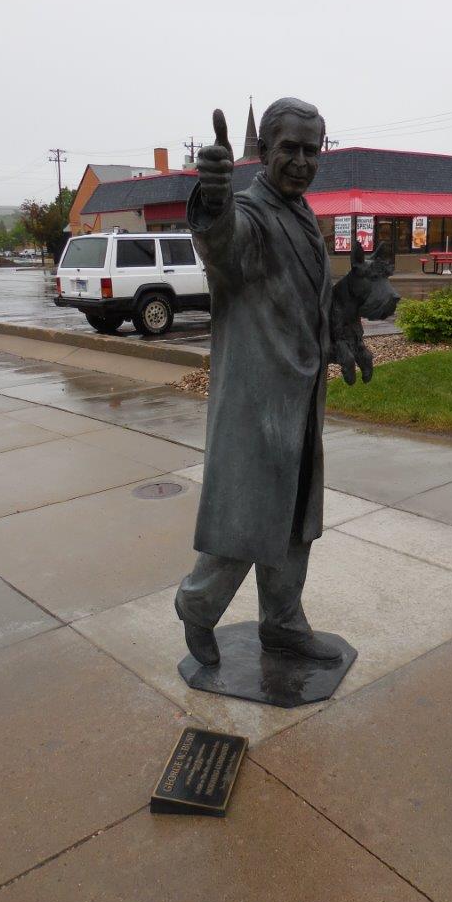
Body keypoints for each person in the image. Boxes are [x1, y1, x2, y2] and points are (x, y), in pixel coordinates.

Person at [175, 98, 356, 668]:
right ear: (264, 153)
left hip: (300, 400)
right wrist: (213, 198)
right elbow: (225, 246)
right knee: (246, 522)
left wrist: (341, 336)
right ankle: (196, 608)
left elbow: (306, 301)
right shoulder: (251, 212)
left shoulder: (300, 212)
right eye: (289, 149)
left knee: (296, 521)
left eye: (311, 150)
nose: (301, 161)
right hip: (256, 405)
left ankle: (282, 622)